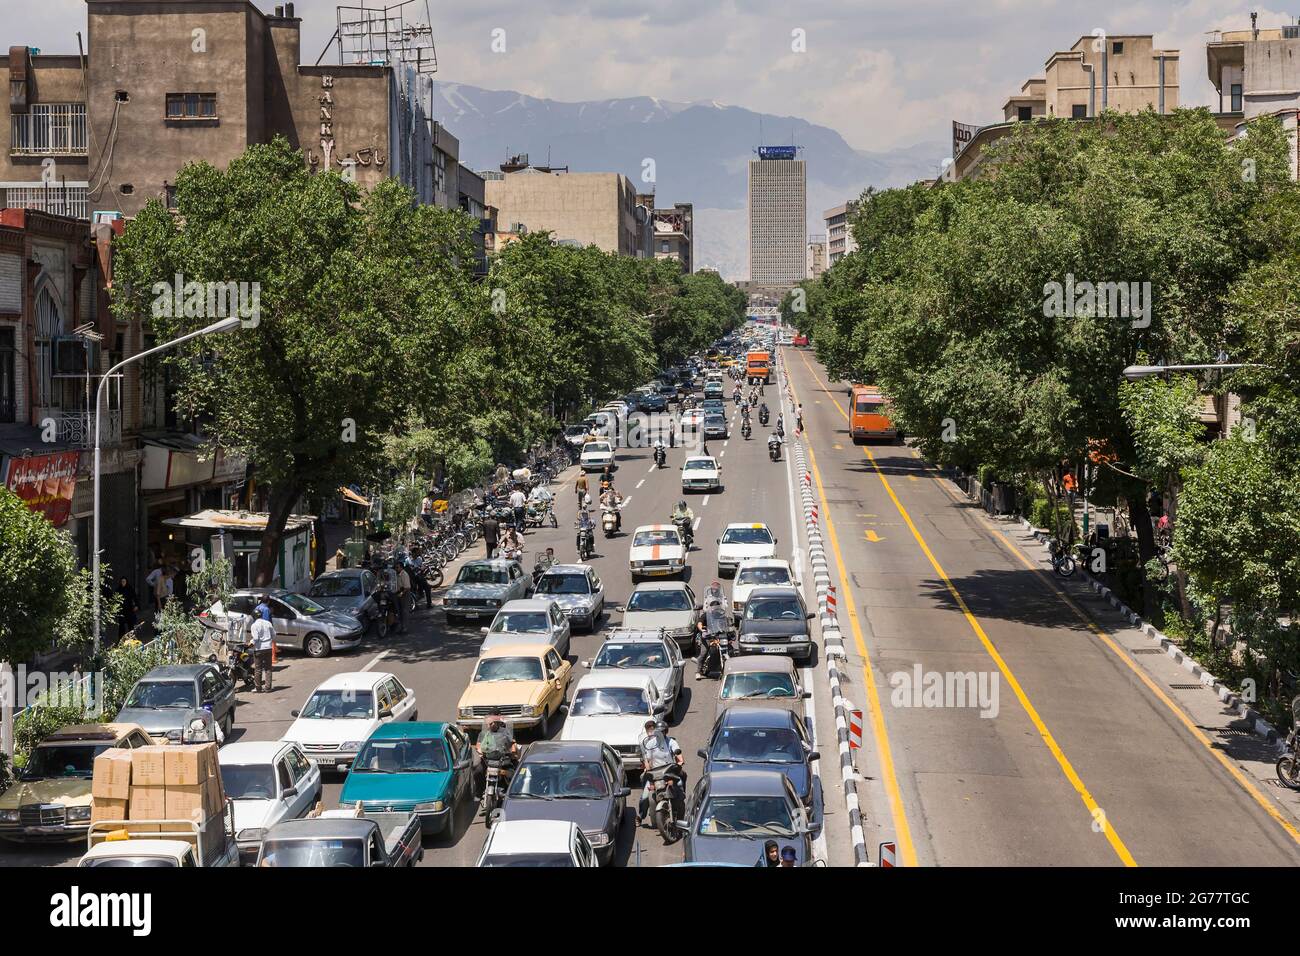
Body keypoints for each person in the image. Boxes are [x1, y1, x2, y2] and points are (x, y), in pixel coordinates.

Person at [637, 720, 685, 827]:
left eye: (662, 731)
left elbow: (678, 752)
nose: (660, 734)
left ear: (666, 732)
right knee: (645, 797)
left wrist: (680, 760)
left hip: (669, 772)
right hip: (655, 774)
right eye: (658, 731)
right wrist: (647, 770)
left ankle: (681, 812)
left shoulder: (671, 742)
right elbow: (647, 760)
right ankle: (640, 816)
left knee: (680, 785)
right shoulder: (650, 744)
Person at [473, 711, 519, 800]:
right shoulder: (483, 733)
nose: (489, 726)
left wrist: (512, 750)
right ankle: (479, 792)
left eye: (491, 723)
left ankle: (512, 793)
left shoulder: (506, 731)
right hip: (488, 759)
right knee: (477, 772)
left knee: (514, 774)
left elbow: (513, 743)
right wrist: (479, 750)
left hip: (503, 759)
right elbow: (478, 744)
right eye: (488, 724)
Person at [250, 611, 276, 693]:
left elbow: (256, 638)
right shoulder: (268, 623)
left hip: (259, 649)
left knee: (258, 669)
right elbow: (274, 635)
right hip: (268, 648)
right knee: (268, 668)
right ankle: (268, 688)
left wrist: (250, 643)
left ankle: (258, 688)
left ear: (254, 617)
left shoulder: (254, 625)